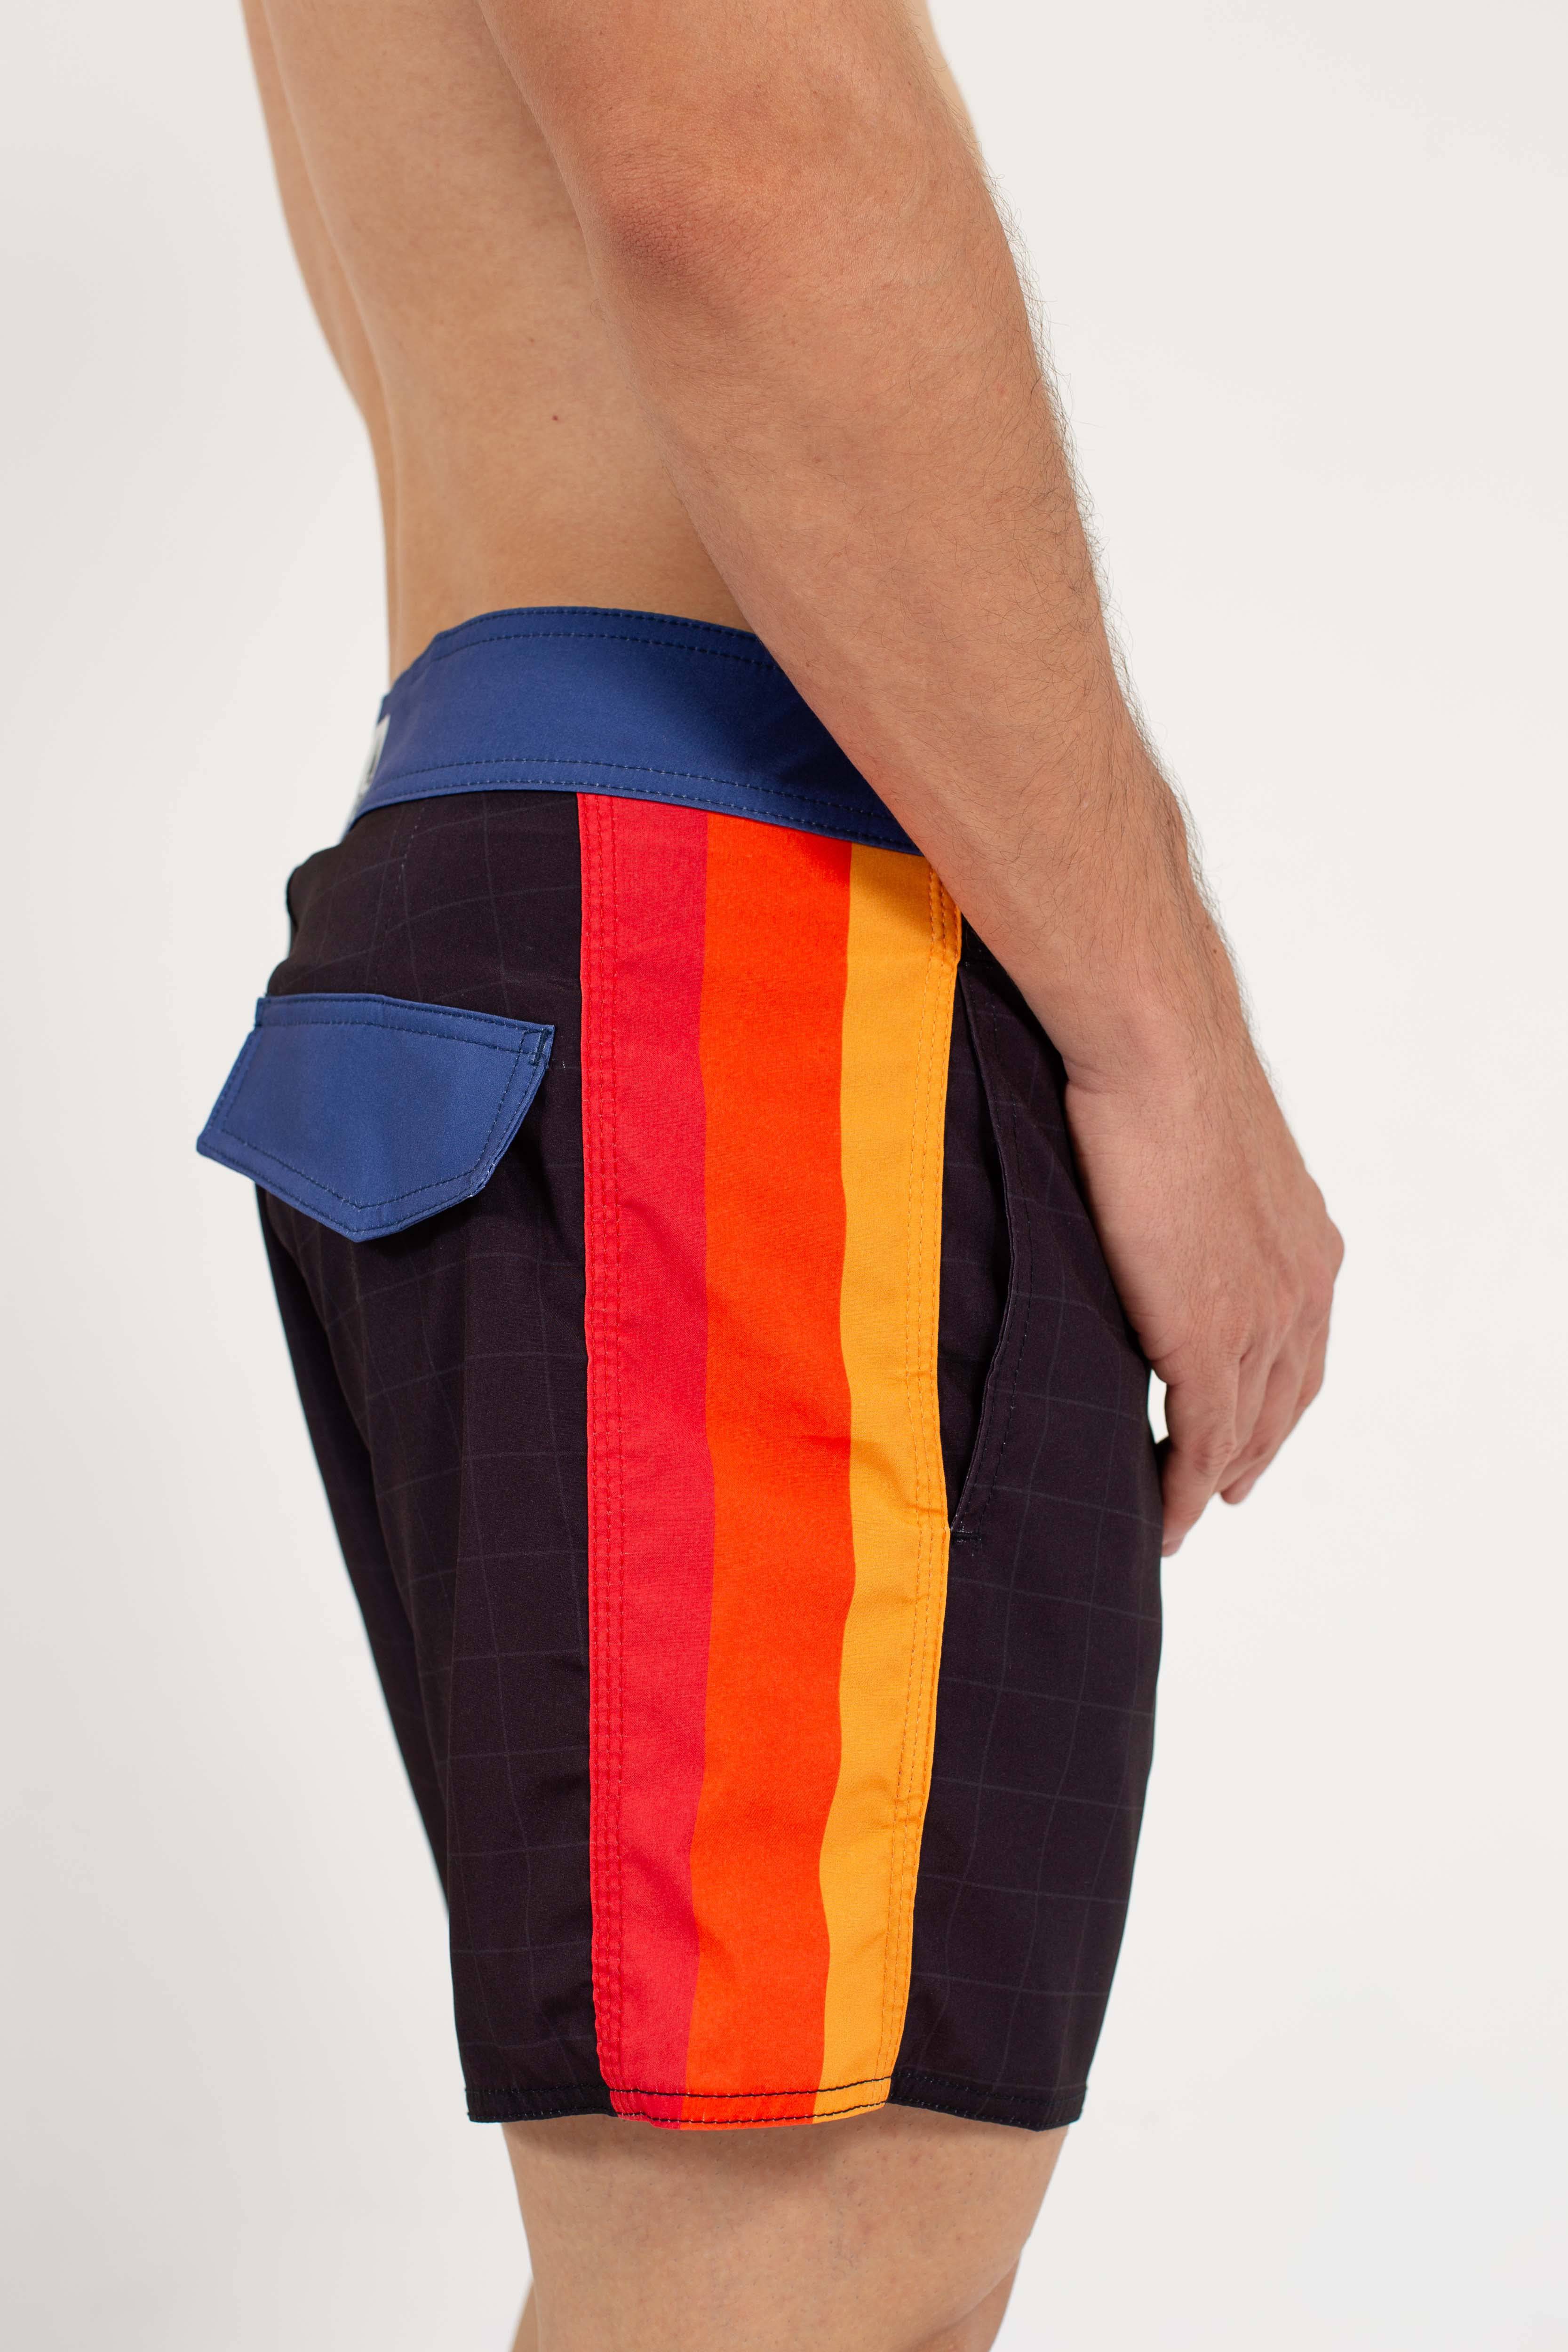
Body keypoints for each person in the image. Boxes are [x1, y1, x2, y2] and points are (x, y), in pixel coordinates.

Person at [199, 2, 1343, 2344]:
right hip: (729, 968)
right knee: (796, 2270)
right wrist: (1166, 1036)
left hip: (570, 894)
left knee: (822, 2260)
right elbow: (743, 163)